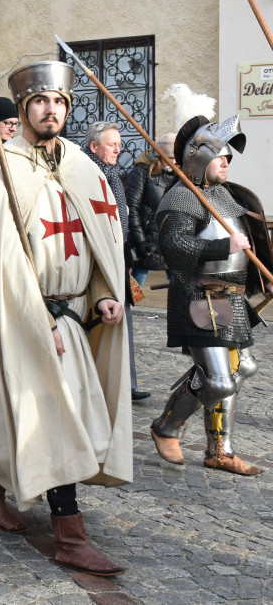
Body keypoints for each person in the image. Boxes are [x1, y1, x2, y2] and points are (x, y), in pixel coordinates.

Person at [0, 61, 131, 577]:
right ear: (24, 110)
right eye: (39, 101)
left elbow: (100, 240)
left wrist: (103, 292)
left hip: (78, 318)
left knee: (59, 415)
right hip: (33, 317)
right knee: (55, 420)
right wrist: (39, 319)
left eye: (57, 101)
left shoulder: (83, 168)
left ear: (67, 108)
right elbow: (2, 265)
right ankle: (69, 536)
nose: (49, 109)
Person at [149, 113, 271, 476]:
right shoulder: (184, 197)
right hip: (199, 298)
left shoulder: (225, 196)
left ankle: (220, 450)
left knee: (243, 368)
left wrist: (264, 279)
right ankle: (166, 426)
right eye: (221, 156)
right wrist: (222, 247)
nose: (227, 163)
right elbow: (173, 245)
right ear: (198, 157)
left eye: (229, 158)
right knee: (218, 380)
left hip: (231, 298)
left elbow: (250, 243)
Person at [82, 121, 149, 402]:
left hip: (118, 255)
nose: (118, 150)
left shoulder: (112, 174)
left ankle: (123, 383)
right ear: (94, 146)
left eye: (120, 144)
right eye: (113, 144)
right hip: (92, 260)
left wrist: (126, 255)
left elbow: (120, 220)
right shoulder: (84, 175)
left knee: (122, 316)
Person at [125, 132, 176, 287]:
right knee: (133, 289)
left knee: (182, 292)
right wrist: (140, 242)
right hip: (147, 242)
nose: (175, 161)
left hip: (172, 241)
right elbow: (132, 209)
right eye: (171, 157)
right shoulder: (141, 172)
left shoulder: (180, 175)